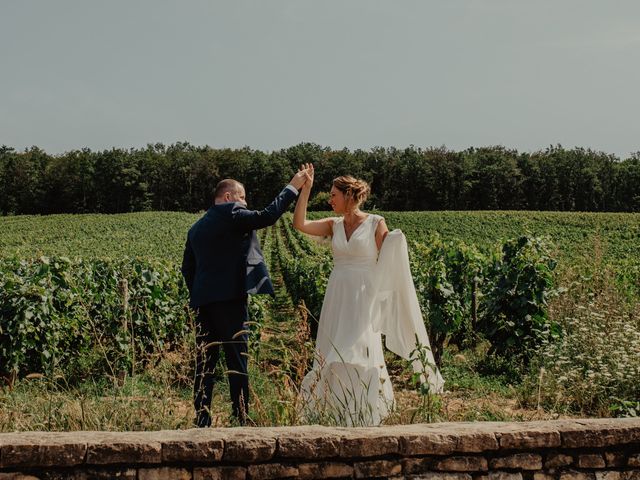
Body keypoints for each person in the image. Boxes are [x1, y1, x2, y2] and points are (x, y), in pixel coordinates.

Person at [292, 164, 444, 426]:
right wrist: (305, 190)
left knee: (359, 348)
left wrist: (397, 240)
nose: (329, 200)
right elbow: (299, 224)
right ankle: (333, 409)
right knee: (334, 349)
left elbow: (387, 255)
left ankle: (364, 410)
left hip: (364, 295)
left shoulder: (375, 222)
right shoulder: (333, 225)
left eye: (333, 195)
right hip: (338, 294)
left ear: (348, 196)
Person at [181, 169, 310, 427]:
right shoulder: (231, 213)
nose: (245, 203)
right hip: (231, 300)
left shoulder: (196, 228)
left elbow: (188, 268)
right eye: (242, 197)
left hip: (203, 302)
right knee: (237, 359)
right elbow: (268, 216)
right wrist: (293, 187)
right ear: (228, 197)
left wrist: (200, 293)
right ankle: (241, 417)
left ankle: (202, 418)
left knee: (205, 361)